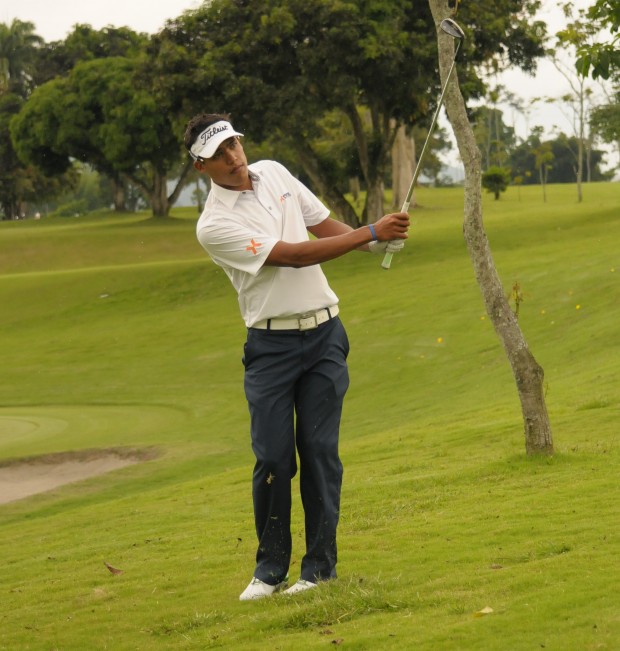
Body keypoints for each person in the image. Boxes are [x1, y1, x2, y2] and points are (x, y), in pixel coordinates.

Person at [184, 113, 410, 601]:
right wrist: (371, 230)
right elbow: (292, 254)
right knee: (273, 457)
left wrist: (375, 242)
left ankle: (319, 571)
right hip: (271, 347)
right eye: (218, 154)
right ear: (201, 167)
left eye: (233, 144)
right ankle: (270, 571)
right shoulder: (214, 224)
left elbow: (322, 226)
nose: (232, 157)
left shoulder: (275, 172)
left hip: (325, 334)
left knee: (320, 453)